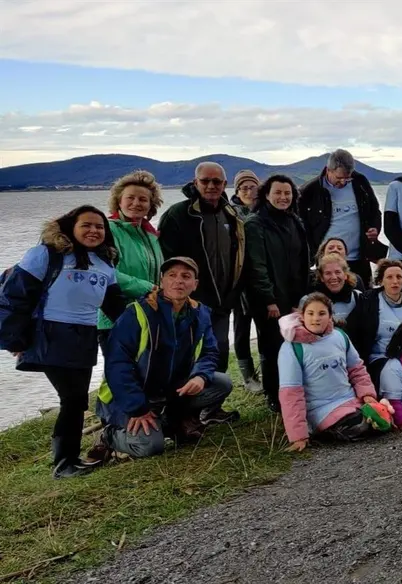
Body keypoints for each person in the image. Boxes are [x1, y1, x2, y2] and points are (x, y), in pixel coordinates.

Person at [0, 206, 127, 478]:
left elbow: (115, 306)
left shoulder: (105, 263)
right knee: (71, 398)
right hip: (50, 335)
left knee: (78, 400)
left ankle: (70, 459)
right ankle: (63, 464)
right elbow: (15, 296)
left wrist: (142, 330)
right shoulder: (46, 255)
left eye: (100, 227)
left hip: (85, 336)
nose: (94, 231)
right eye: (87, 225)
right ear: (71, 227)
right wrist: (14, 338)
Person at [92, 257, 235, 461]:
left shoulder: (200, 313)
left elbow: (210, 352)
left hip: (168, 392)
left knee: (222, 383)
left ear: (195, 284)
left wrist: (200, 376)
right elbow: (117, 366)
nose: (179, 281)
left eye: (186, 276)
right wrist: (137, 408)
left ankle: (171, 421)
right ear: (162, 281)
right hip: (128, 397)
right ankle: (108, 435)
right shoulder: (137, 313)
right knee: (148, 446)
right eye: (172, 275)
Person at [157, 161, 246, 379]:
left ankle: (212, 407)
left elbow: (239, 257)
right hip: (188, 303)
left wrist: (234, 294)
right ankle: (185, 409)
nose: (211, 186)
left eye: (216, 181)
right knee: (184, 356)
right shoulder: (178, 214)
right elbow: (166, 262)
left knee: (219, 353)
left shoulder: (231, 215)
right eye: (205, 181)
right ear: (195, 182)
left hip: (222, 303)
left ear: (224, 184)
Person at [278, 294, 381, 452]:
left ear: (330, 316)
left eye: (322, 313)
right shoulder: (292, 348)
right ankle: (325, 432)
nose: (316, 319)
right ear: (302, 316)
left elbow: (357, 370)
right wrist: (298, 436)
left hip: (350, 400)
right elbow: (291, 394)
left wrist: (367, 394)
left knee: (381, 417)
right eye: (310, 314)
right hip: (321, 409)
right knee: (360, 426)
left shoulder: (340, 336)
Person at [243, 175, 311, 411]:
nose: (283, 197)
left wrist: (300, 299)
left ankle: (293, 390)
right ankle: (273, 394)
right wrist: (269, 300)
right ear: (266, 194)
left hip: (293, 296)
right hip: (268, 299)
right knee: (272, 347)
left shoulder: (294, 221)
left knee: (293, 344)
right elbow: (256, 265)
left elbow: (304, 261)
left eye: (287, 193)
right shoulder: (255, 223)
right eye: (278, 193)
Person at [98, 171, 164, 354]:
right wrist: (148, 288)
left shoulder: (150, 235)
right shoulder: (107, 230)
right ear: (119, 201)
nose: (136, 203)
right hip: (115, 318)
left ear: (151, 205)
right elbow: (104, 272)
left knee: (147, 373)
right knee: (121, 376)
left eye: (143, 199)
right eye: (130, 198)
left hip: (148, 315)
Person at [299, 149, 383, 284]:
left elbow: (374, 211)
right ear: (328, 170)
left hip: (359, 257)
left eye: (347, 178)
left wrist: (375, 228)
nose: (343, 182)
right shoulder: (309, 191)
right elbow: (302, 227)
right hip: (327, 261)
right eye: (339, 178)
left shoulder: (360, 182)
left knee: (363, 297)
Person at [345, 259, 402, 388]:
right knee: (395, 376)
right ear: (380, 281)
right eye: (389, 277)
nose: (395, 281)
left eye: (399, 277)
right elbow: (353, 332)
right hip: (380, 358)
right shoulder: (368, 301)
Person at [229, 169, 261, 390]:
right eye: (244, 188)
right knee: (241, 328)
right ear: (237, 191)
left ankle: (268, 370)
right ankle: (248, 376)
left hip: (261, 278)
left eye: (253, 187)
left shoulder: (265, 211)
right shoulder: (230, 213)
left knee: (265, 328)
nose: (249, 192)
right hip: (239, 280)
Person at [306, 253, 362, 328]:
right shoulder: (309, 301)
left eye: (338, 272)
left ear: (345, 275)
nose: (334, 277)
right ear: (322, 278)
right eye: (328, 273)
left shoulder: (358, 297)